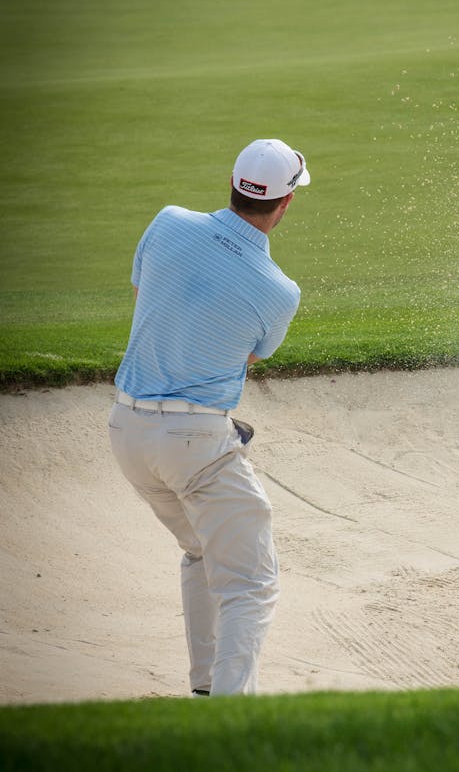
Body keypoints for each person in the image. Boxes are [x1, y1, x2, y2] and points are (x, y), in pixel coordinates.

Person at [108, 138, 310, 697]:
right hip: (194, 443)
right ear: (285, 203)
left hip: (125, 433)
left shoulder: (168, 221)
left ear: (233, 181)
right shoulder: (279, 291)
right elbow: (247, 353)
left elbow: (144, 294)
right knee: (252, 583)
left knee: (201, 549)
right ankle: (230, 717)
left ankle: (204, 693)